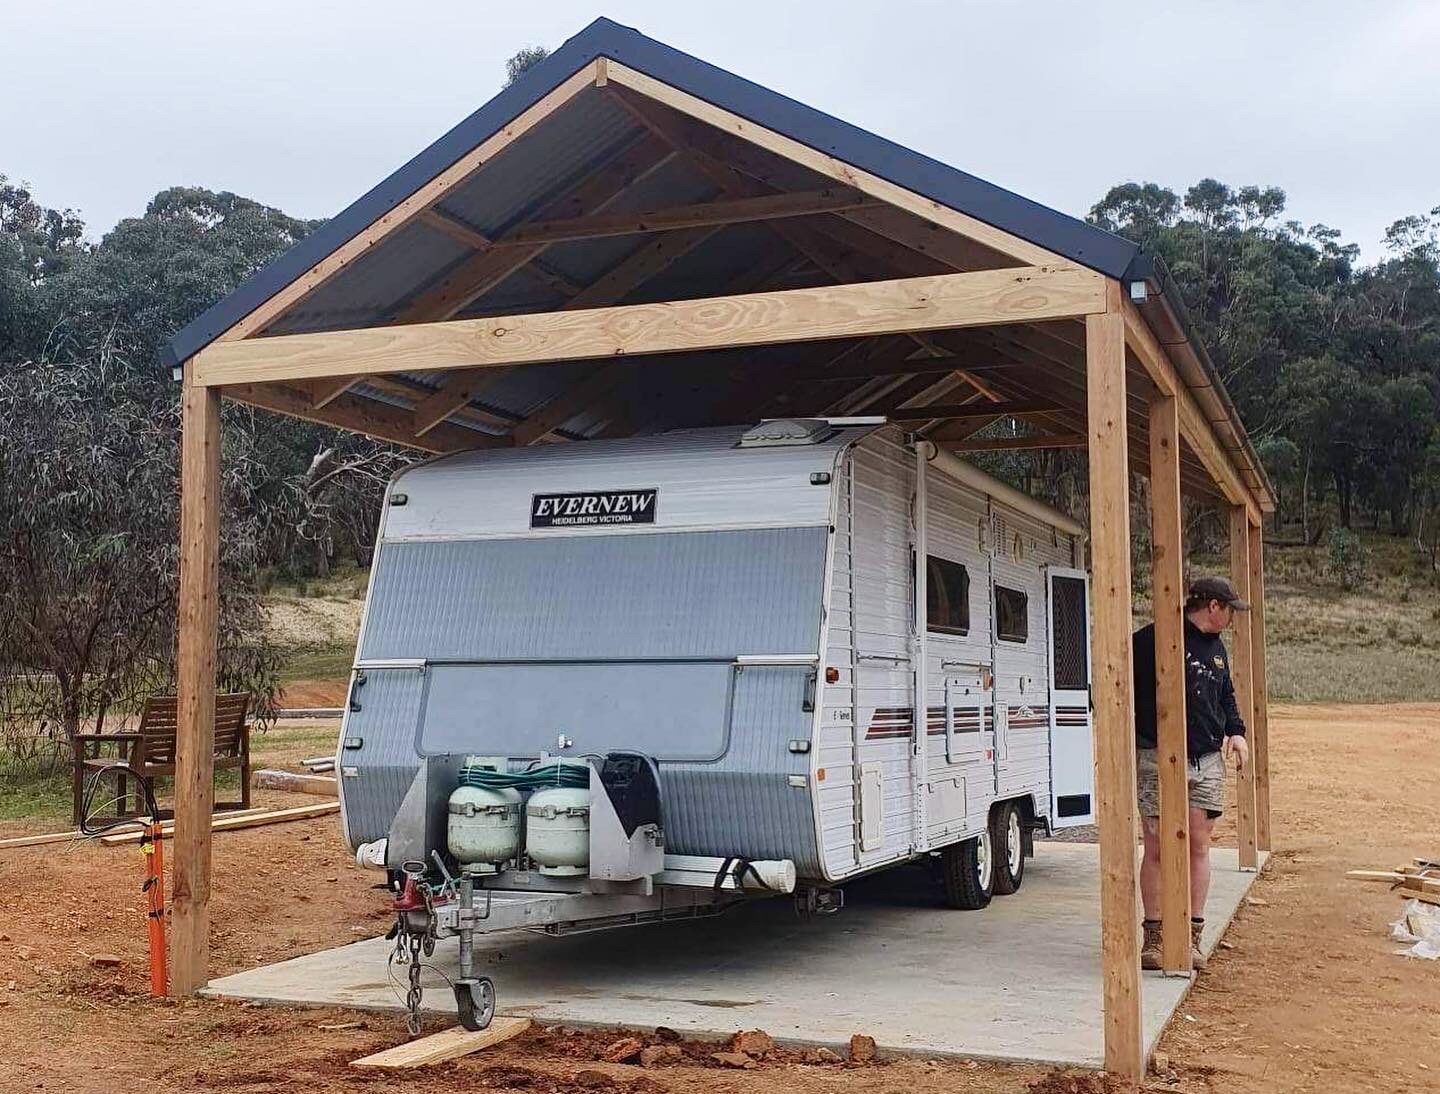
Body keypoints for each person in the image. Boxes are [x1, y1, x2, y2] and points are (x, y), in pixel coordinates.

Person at [1132, 576, 1250, 970]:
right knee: (1157, 846)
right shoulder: (1150, 640)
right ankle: (1155, 938)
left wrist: (1236, 731)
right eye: (1230, 609)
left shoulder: (1216, 647)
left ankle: (1191, 937)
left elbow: (1225, 692)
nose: (1232, 618)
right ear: (1213, 606)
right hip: (1156, 756)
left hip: (1206, 761)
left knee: (1198, 845)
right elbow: (1120, 686)